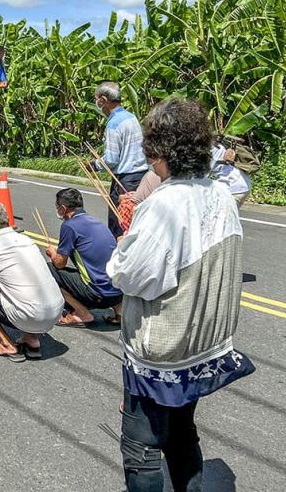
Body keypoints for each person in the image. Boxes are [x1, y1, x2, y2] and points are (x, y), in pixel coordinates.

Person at [106, 98, 255, 492]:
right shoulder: (221, 194)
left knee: (141, 447)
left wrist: (123, 247)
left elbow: (131, 276)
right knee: (183, 431)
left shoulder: (164, 205)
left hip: (165, 349)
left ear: (160, 152)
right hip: (204, 340)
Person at [0, 203, 64, 361]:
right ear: (7, 220)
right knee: (22, 289)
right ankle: (31, 339)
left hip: (32, 314)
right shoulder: (26, 240)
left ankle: (7, 344)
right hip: (56, 311)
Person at [45, 188, 123, 326]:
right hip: (118, 292)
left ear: (63, 208)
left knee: (48, 269)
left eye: (57, 207)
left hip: (98, 295)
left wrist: (52, 253)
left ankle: (82, 313)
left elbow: (60, 264)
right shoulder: (96, 221)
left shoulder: (69, 225)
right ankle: (120, 312)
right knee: (102, 268)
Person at [93, 81, 148, 237]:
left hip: (125, 179)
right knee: (135, 222)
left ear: (103, 100)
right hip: (141, 177)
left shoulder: (113, 123)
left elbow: (111, 159)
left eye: (97, 100)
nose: (97, 104)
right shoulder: (131, 117)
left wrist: (95, 165)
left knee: (119, 224)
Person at [211, 140, 252, 207]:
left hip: (233, 187)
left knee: (220, 215)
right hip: (242, 183)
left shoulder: (212, 149)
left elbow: (201, 175)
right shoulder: (217, 145)